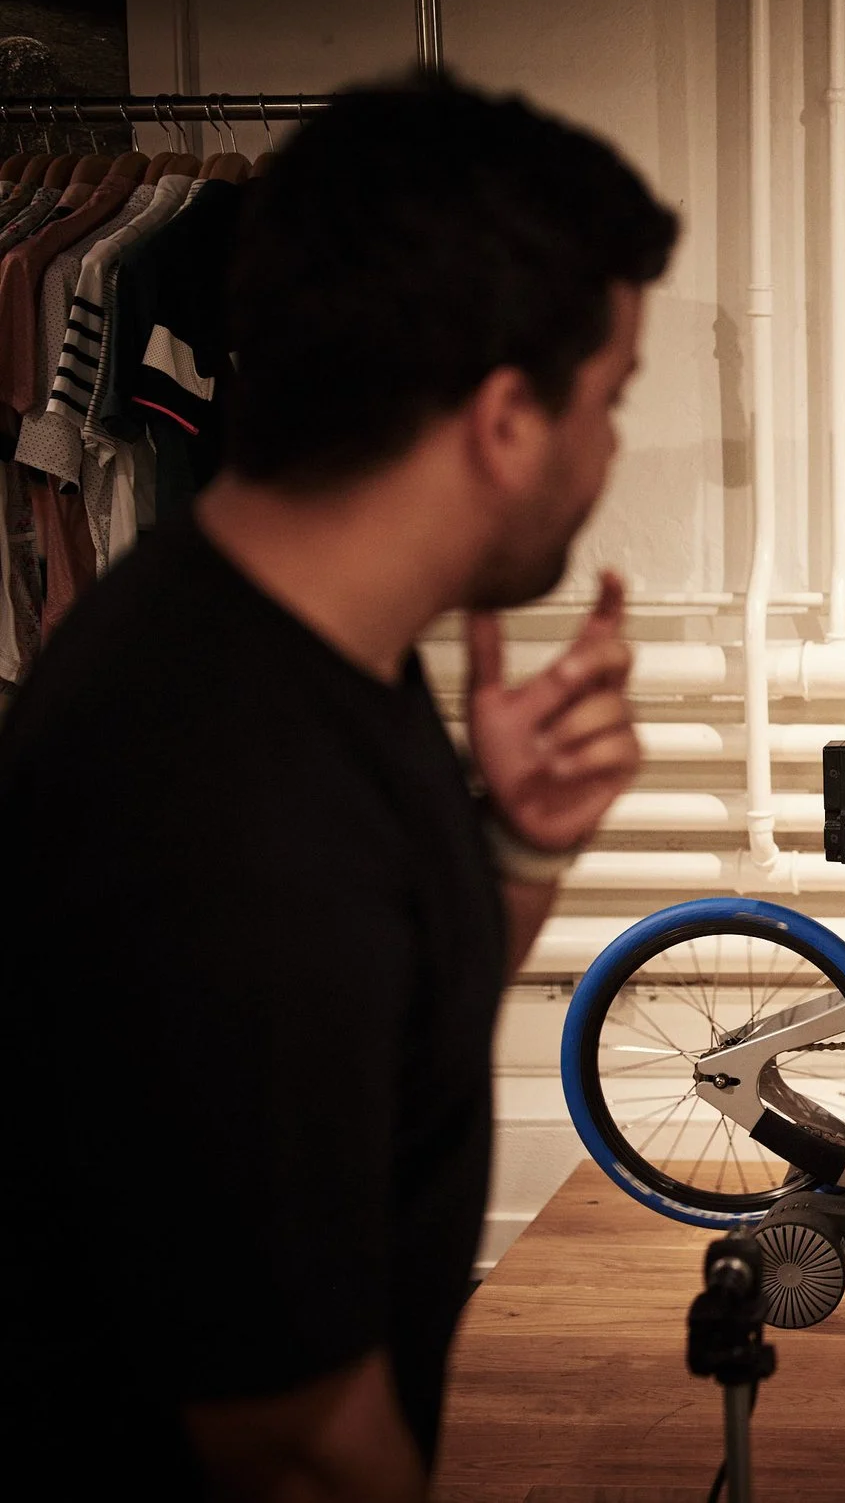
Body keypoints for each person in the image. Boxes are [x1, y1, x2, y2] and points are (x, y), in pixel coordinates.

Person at [0, 78, 677, 1498]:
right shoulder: (228, 785)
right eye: (608, 402)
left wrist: (510, 847)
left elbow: (376, 1060)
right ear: (504, 422)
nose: (608, 449)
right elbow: (292, 1433)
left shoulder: (302, 641)